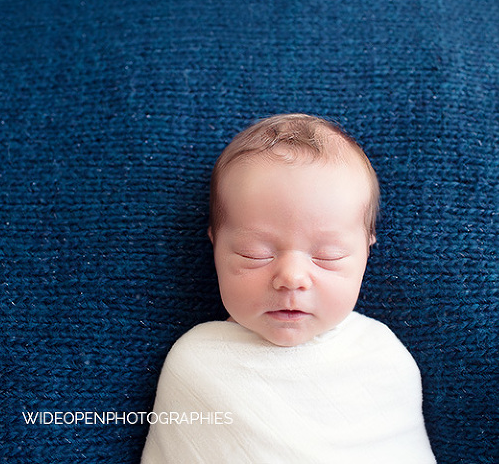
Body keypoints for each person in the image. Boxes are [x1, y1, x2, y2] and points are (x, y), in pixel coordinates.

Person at [141, 114, 436, 463]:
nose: (291, 278)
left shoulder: (383, 359)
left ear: (367, 248)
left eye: (329, 256)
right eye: (255, 254)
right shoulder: (197, 364)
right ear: (215, 245)